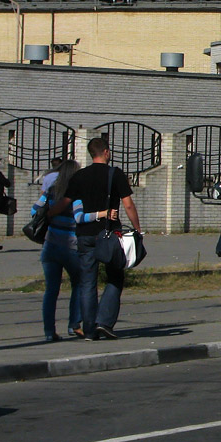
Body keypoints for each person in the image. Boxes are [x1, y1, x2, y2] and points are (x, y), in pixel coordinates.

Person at [64, 137, 141, 340]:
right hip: (108, 234)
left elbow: (67, 202)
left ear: (91, 154)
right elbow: (128, 204)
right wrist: (137, 228)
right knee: (115, 276)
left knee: (87, 282)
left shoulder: (79, 176)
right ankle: (104, 322)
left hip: (84, 235)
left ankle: (89, 330)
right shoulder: (114, 174)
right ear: (106, 152)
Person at [33, 159, 83, 342]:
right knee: (79, 283)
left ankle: (49, 331)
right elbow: (79, 217)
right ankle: (74, 325)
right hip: (71, 246)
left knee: (51, 290)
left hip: (50, 245)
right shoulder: (77, 195)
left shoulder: (51, 191)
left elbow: (34, 211)